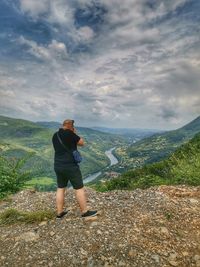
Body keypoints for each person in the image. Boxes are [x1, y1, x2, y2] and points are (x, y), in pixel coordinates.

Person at [52, 119, 97, 219]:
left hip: (58, 165)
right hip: (70, 166)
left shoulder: (55, 135)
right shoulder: (70, 133)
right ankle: (85, 212)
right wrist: (74, 133)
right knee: (79, 188)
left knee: (61, 188)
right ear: (71, 126)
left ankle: (59, 213)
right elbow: (81, 143)